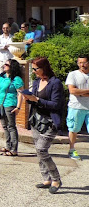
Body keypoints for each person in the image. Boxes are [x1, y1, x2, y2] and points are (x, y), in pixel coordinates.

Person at [22, 57, 65, 194]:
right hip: (36, 121)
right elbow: (34, 101)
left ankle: (56, 179)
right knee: (37, 150)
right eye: (33, 69)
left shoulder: (55, 83)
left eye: (36, 69)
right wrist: (29, 99)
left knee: (42, 149)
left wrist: (38, 99)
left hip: (50, 122)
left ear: (44, 68)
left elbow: (56, 105)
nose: (34, 71)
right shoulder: (36, 82)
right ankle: (46, 179)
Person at [0, 59, 25, 156]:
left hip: (10, 104)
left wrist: (18, 107)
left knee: (11, 127)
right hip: (0, 104)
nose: (4, 65)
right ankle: (8, 146)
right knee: (5, 126)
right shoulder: (1, 77)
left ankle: (14, 149)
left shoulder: (16, 79)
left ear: (12, 67)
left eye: (7, 64)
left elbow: (20, 94)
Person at [65, 55, 89, 161]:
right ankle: (71, 149)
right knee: (73, 129)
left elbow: (77, 91)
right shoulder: (73, 74)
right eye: (79, 62)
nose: (82, 65)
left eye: (84, 62)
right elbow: (73, 91)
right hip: (76, 107)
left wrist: (81, 92)